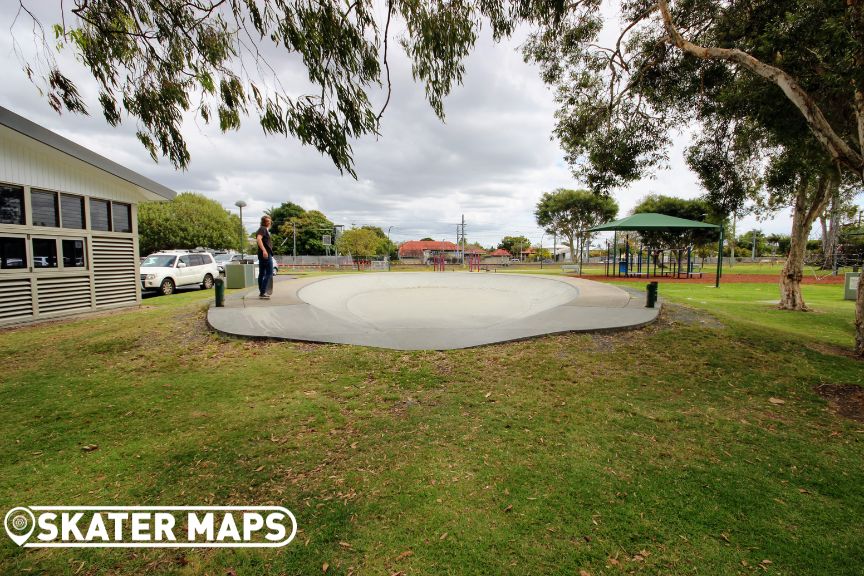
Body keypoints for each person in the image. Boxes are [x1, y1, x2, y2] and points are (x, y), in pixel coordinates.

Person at [256, 215, 274, 299]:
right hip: (265, 255)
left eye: (269, 221)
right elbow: (259, 239)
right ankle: (263, 292)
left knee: (262, 273)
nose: (269, 222)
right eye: (267, 221)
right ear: (263, 222)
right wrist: (264, 250)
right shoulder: (262, 229)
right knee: (269, 273)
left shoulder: (265, 229)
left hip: (263, 255)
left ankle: (261, 292)